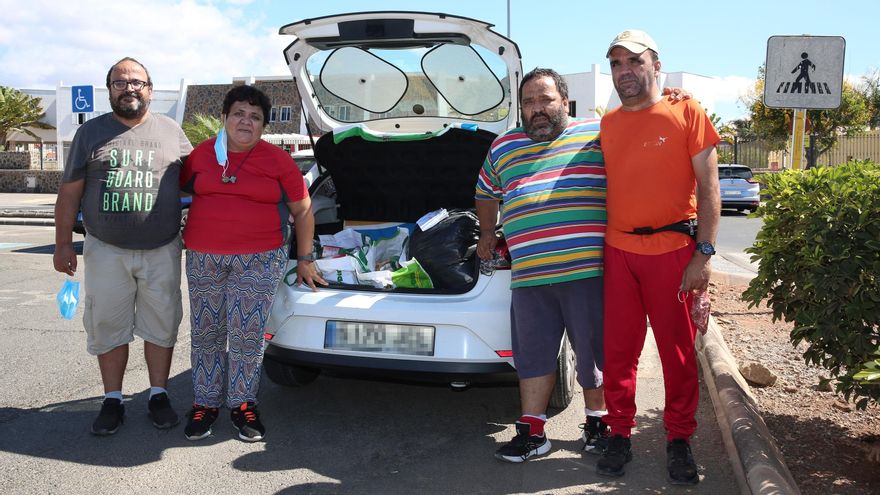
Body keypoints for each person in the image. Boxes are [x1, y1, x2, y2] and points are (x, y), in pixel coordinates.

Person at [597, 29, 721, 485]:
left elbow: (710, 190)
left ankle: (680, 440)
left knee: (678, 355)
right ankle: (618, 432)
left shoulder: (686, 110)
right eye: (616, 63)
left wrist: (703, 255)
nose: (624, 72)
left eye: (634, 61)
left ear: (655, 64)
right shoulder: (607, 124)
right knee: (618, 353)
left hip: (674, 253)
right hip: (619, 251)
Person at [475, 68, 609, 462]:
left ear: (564, 102)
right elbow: (485, 191)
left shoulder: (596, 135)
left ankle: (597, 424)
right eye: (529, 102)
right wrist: (487, 233)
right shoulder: (503, 147)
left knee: (594, 353)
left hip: (588, 273)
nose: (537, 109)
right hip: (530, 276)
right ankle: (534, 433)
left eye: (545, 100)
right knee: (531, 355)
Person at [179, 85, 327, 442]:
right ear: (225, 118)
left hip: (259, 260)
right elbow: (175, 192)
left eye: (255, 116)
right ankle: (206, 403)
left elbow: (304, 210)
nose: (246, 121)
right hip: (203, 257)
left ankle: (243, 403)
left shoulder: (279, 161)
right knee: (206, 332)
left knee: (246, 333)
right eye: (239, 114)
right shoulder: (200, 156)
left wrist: (305, 258)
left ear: (264, 125)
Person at [53, 57, 192, 435]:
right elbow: (68, 194)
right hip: (105, 248)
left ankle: (158, 394)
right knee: (107, 324)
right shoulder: (90, 134)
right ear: (110, 89)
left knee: (161, 323)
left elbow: (197, 184)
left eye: (136, 82)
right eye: (120, 82)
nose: (129, 88)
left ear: (149, 89)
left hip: (162, 248)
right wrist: (62, 243)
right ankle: (112, 399)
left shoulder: (172, 131)